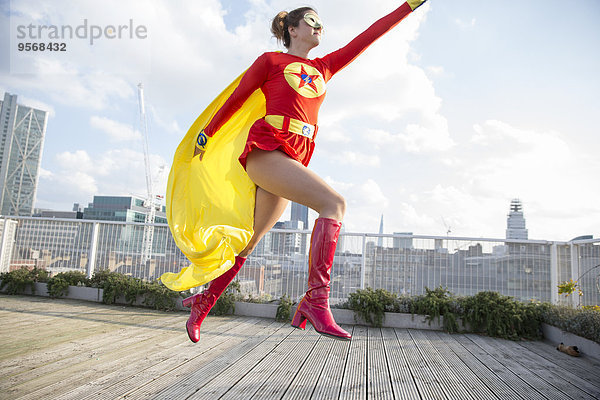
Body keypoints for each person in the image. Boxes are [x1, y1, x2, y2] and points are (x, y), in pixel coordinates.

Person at [180, 0, 427, 343]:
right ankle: (316, 301)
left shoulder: (325, 67)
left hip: (293, 159)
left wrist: (408, 7)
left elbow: (369, 35)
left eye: (321, 23)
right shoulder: (271, 61)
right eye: (312, 22)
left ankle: (202, 305)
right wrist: (208, 133)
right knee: (334, 204)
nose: (319, 27)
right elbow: (236, 99)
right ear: (292, 30)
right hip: (267, 151)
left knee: (249, 244)